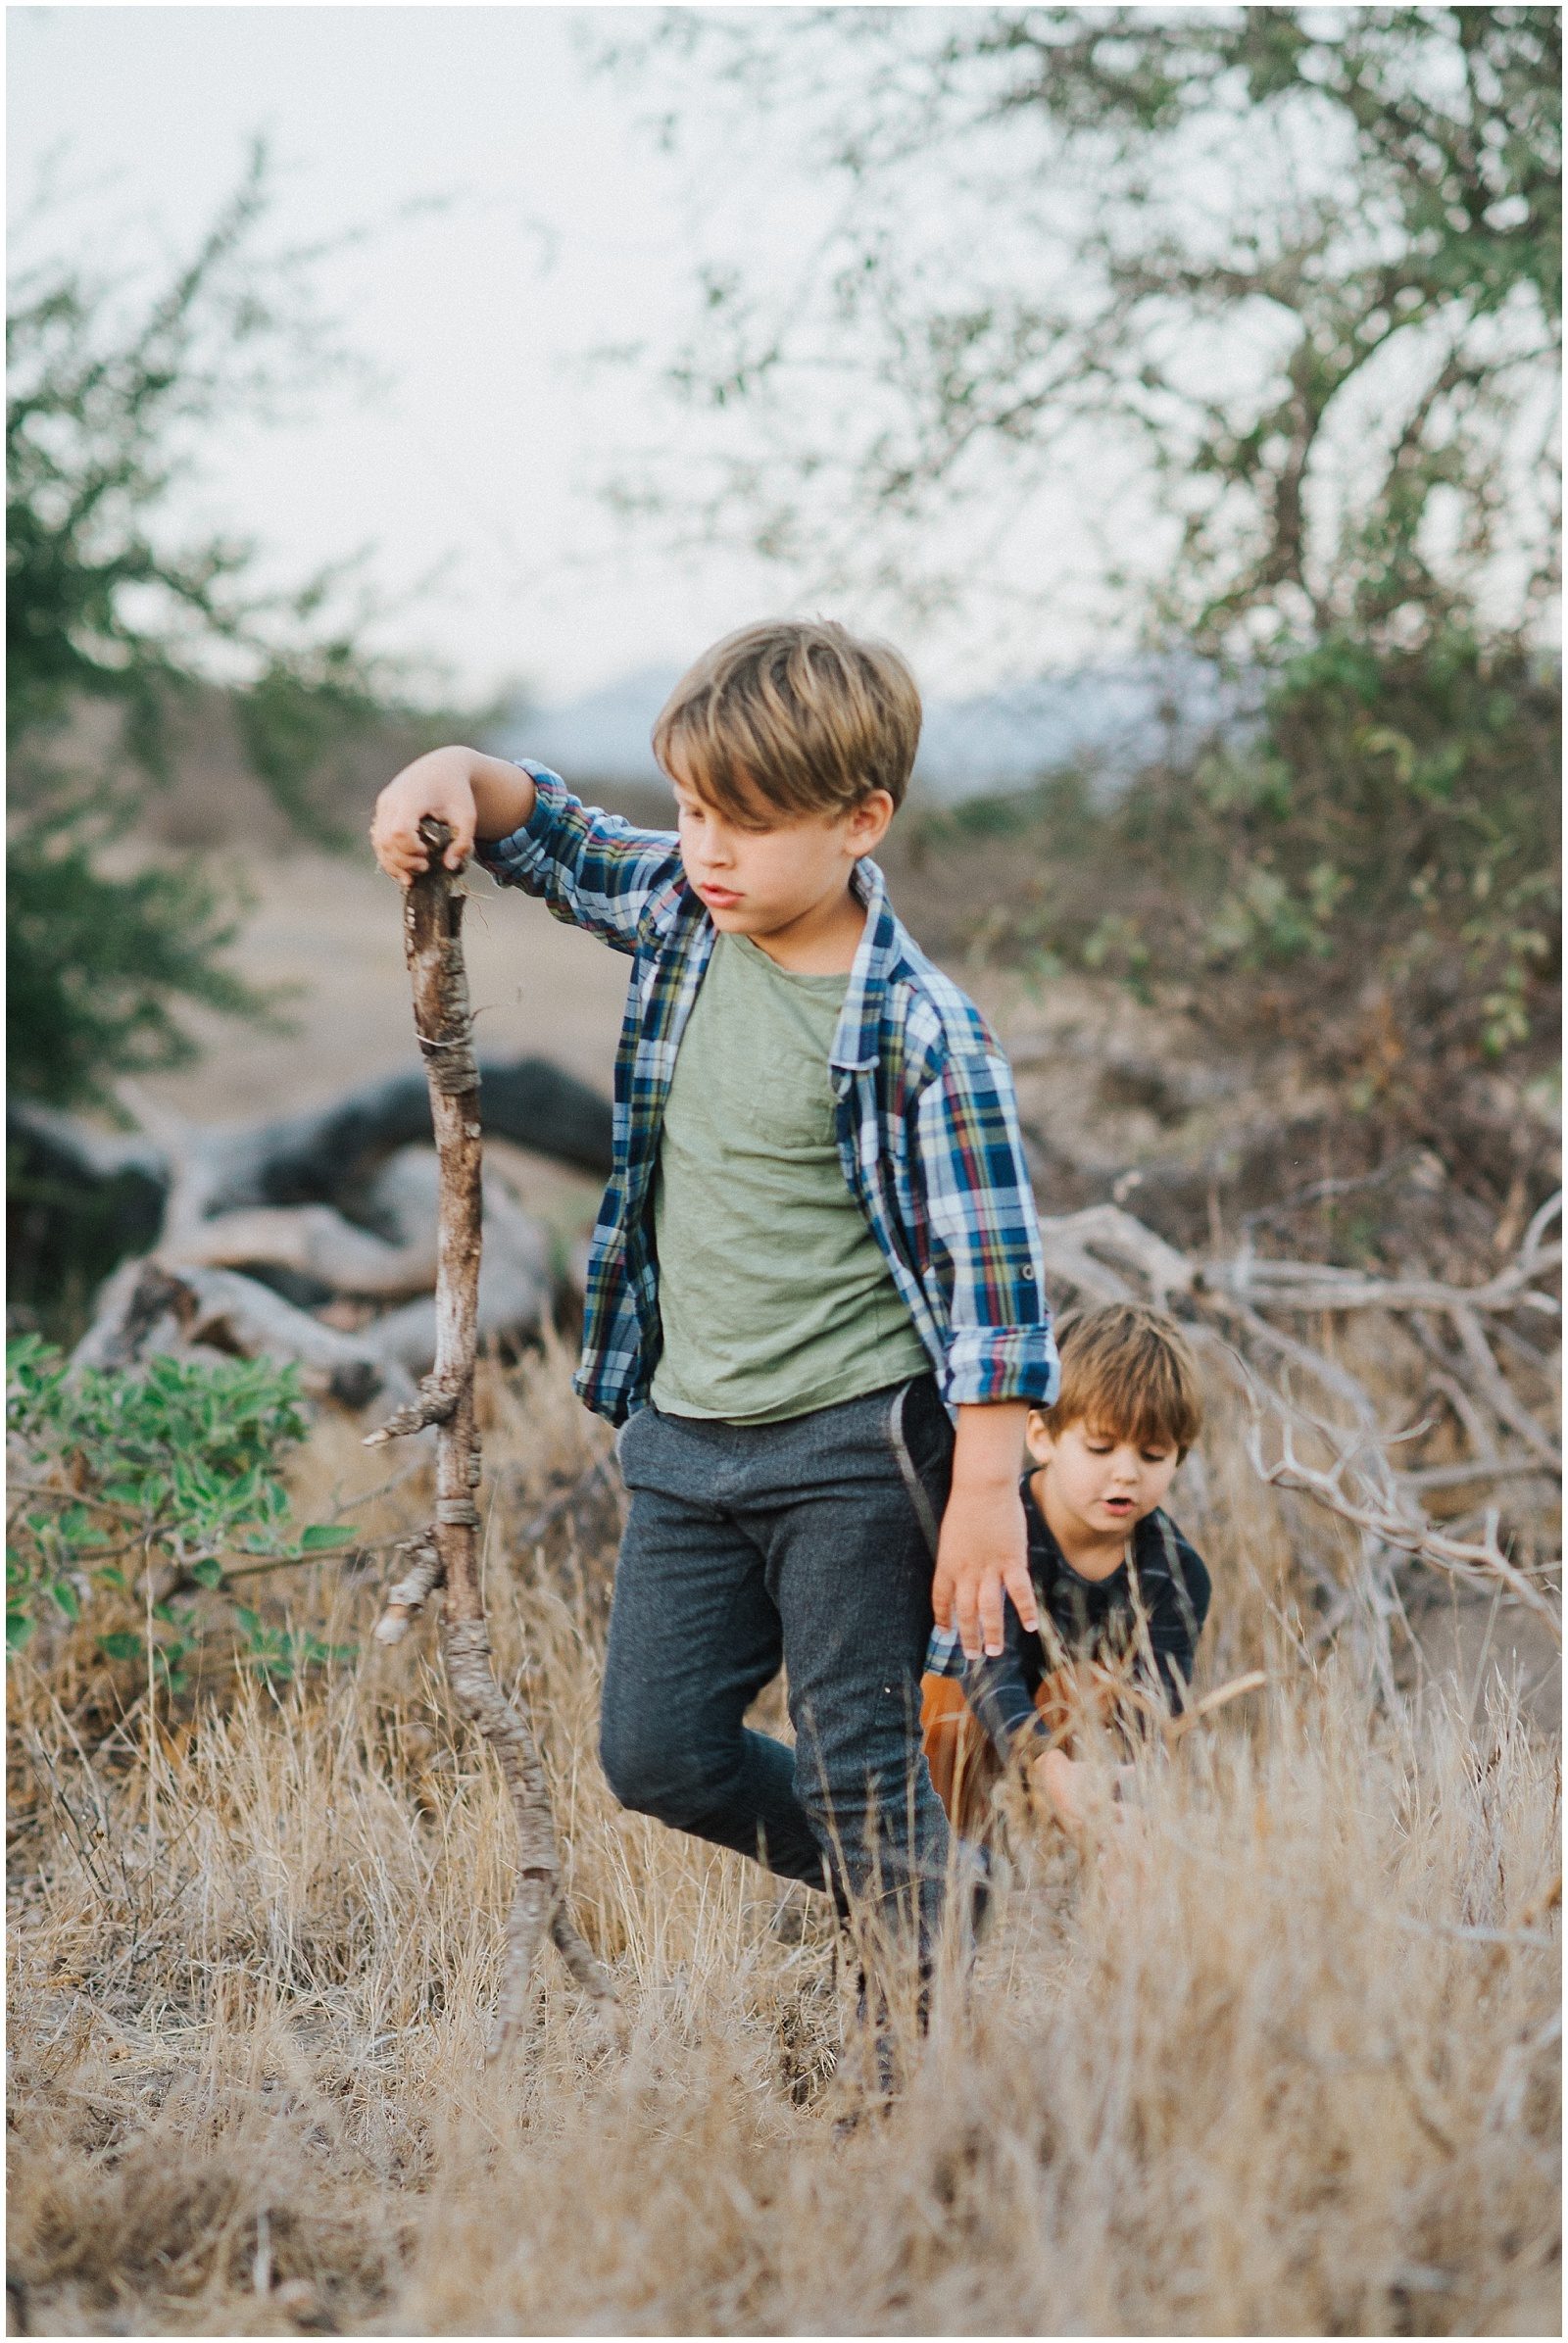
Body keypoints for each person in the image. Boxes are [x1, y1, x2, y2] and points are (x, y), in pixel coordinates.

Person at [370, 616, 1057, 1981]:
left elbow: (998, 1290)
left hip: (856, 1451)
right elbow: (550, 832)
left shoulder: (924, 1028)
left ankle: (926, 2031)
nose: (708, 847)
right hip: (688, 1438)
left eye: (747, 822)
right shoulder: (690, 910)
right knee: (659, 1751)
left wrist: (983, 1492)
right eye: (692, 809)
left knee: (861, 1750)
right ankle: (937, 1884)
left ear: (863, 818)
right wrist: (448, 771)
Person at [920, 1301, 1210, 1841]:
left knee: (1092, 1692)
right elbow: (989, 1671)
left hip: (1089, 1778)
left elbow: (1154, 1720)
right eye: (1100, 1447)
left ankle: (1088, 1875)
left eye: (1152, 1456)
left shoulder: (1175, 1572)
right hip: (978, 1737)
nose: (1125, 1474)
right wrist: (1043, 1761)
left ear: (1179, 1458)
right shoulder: (1005, 1526)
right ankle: (941, 1868)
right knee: (945, 1695)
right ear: (1041, 1436)